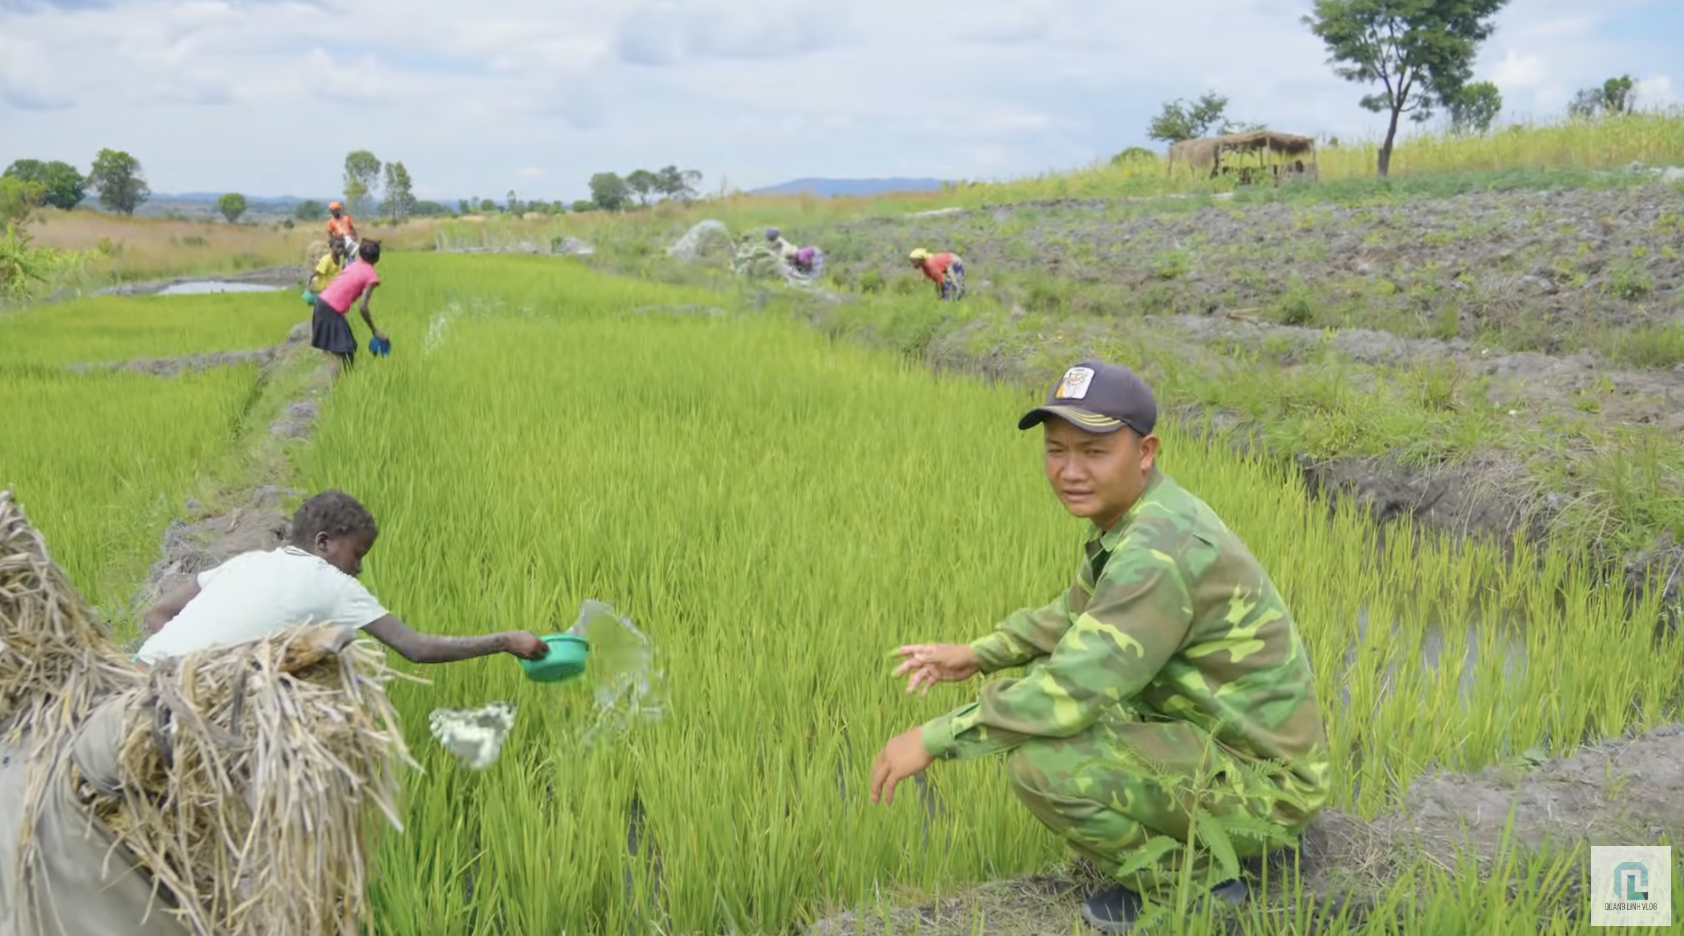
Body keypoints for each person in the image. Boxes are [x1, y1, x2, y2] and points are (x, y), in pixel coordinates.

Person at [868, 360, 1331, 935]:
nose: (1069, 471)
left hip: (1267, 784)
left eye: (1093, 452)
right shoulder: (1141, 516)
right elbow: (1074, 614)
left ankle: (1193, 888)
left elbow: (1069, 691)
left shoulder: (1158, 552)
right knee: (1053, 698)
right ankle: (1211, 849)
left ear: (1145, 451)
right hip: (1227, 745)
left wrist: (933, 738)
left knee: (1041, 764)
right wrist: (978, 653)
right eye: (1056, 451)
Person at [137, 490, 549, 667]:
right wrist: (506, 641)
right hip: (179, 712)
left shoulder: (246, 562)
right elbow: (417, 648)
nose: (358, 569)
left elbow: (157, 613)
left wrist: (194, 661)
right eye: (357, 554)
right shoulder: (331, 583)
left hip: (135, 678)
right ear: (324, 543)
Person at [310, 238, 388, 372]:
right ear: (377, 258)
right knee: (345, 352)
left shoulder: (353, 265)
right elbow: (363, 307)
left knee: (346, 349)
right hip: (330, 309)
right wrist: (374, 330)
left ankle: (339, 379)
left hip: (323, 304)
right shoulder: (371, 276)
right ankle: (338, 382)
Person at [302, 236, 347, 306]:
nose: (341, 250)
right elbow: (316, 274)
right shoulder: (326, 260)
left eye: (342, 247)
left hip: (335, 290)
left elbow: (342, 271)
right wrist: (310, 288)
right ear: (331, 247)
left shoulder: (341, 258)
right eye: (338, 247)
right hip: (325, 292)